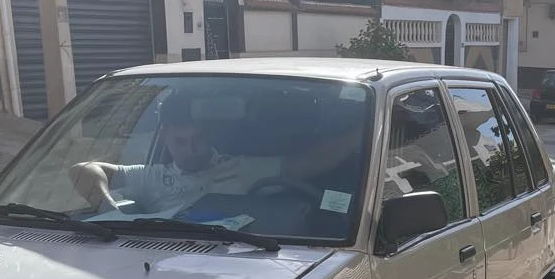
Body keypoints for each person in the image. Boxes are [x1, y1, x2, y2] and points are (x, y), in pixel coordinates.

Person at [69, 88, 360, 215]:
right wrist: (109, 210)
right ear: (166, 136)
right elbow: (84, 170)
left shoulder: (243, 167)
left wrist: (356, 137)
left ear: (211, 135)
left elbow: (312, 163)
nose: (191, 150)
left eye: (197, 139)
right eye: (180, 142)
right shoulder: (153, 177)